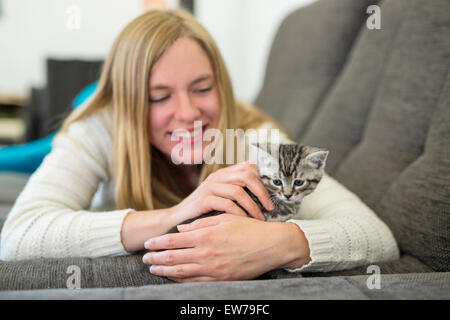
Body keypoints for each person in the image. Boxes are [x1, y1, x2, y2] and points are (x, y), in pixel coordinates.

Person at [0, 9, 399, 282]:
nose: (189, 113)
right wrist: (174, 214)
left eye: (202, 88)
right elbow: (18, 235)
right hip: (92, 103)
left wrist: (282, 243)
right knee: (24, 157)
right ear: (132, 103)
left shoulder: (254, 140)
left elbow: (375, 235)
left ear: (221, 87)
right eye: (158, 96)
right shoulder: (102, 126)